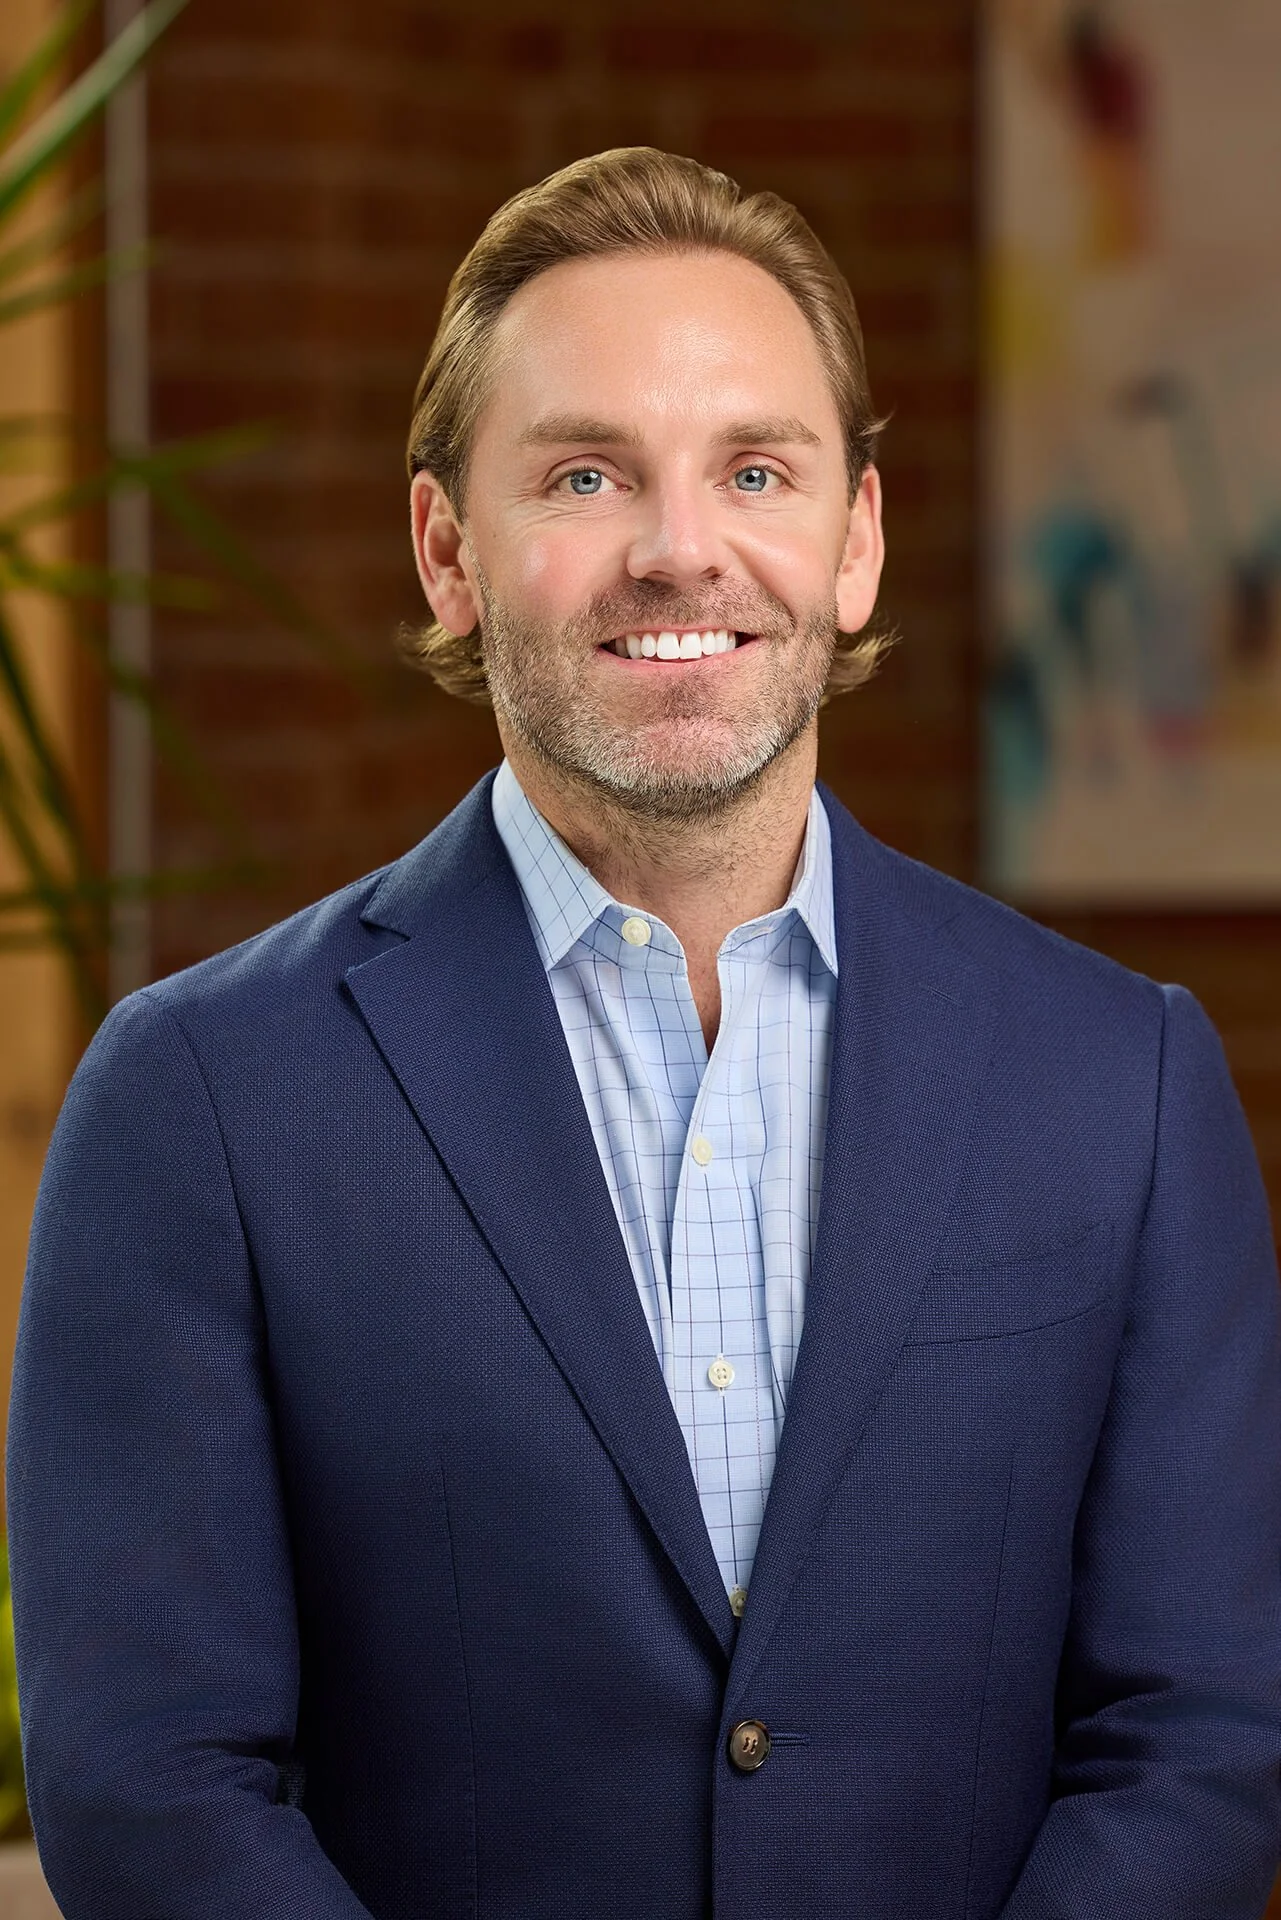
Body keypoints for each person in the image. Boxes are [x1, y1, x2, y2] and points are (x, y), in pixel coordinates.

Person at [7, 147, 1281, 1920]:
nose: (681, 549)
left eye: (755, 470)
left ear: (855, 540)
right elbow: (152, 1784)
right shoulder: (200, 1101)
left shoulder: (1119, 1080)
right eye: (587, 475)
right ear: (448, 551)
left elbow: (1202, 1735)